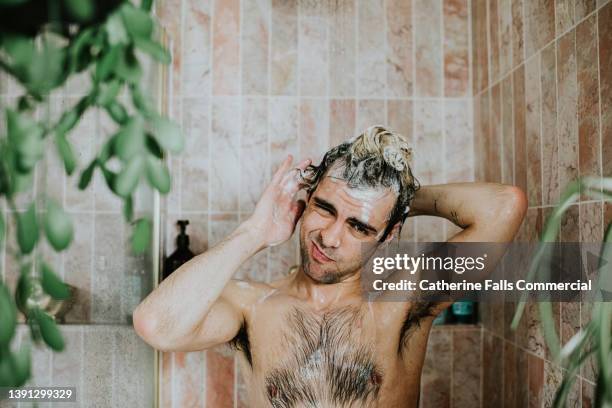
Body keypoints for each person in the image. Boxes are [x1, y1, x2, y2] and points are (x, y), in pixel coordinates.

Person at [133, 125, 527, 407]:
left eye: (359, 225)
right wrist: (254, 232)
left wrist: (395, 197)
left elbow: (503, 206)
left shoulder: (400, 304)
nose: (330, 236)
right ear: (308, 198)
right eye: (325, 208)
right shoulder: (251, 306)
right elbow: (156, 325)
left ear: (388, 235)